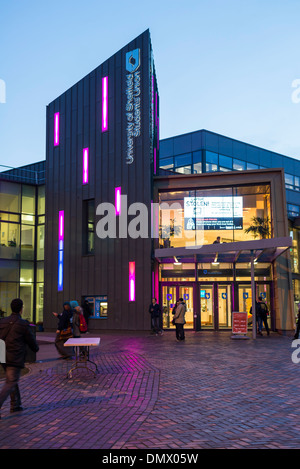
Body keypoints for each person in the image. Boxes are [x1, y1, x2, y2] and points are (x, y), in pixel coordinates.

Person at [0, 298, 39, 417]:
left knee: (12, 379)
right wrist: (35, 348)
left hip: (2, 354)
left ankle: (16, 404)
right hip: (14, 356)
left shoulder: (2, 321)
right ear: (21, 309)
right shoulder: (23, 324)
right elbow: (31, 341)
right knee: (11, 381)